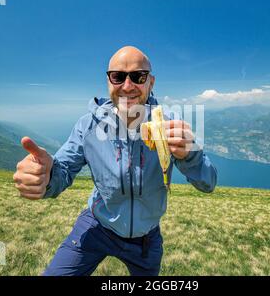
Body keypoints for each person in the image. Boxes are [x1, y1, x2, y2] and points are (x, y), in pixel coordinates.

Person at [12, 46, 217, 276]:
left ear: (151, 82)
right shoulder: (88, 126)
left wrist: (190, 155)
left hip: (146, 239)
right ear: (108, 81)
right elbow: (62, 172)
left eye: (138, 76)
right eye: (118, 76)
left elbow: (208, 183)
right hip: (97, 226)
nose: (127, 86)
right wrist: (45, 177)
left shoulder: (171, 125)